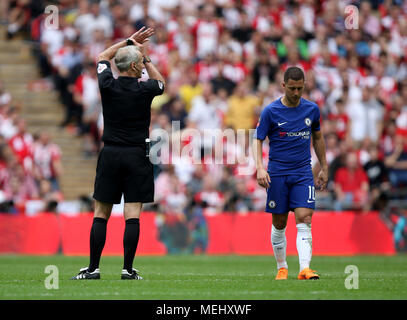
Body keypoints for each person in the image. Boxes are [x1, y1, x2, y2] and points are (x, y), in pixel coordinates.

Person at [71, 27, 165, 280]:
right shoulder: (145, 89)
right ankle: (127, 269)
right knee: (132, 215)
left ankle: (93, 269)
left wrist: (128, 42)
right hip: (137, 156)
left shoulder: (107, 84)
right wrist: (145, 56)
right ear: (135, 67)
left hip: (111, 154)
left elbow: (102, 55)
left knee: (101, 213)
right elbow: (161, 83)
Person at [252, 67, 328, 280]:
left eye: (300, 88)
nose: (296, 93)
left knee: (305, 218)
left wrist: (324, 166)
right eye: (292, 88)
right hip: (277, 173)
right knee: (279, 223)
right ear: (283, 86)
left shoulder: (312, 109)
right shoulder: (271, 111)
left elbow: (318, 138)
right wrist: (259, 167)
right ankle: (282, 267)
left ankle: (305, 268)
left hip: (303, 172)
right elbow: (257, 139)